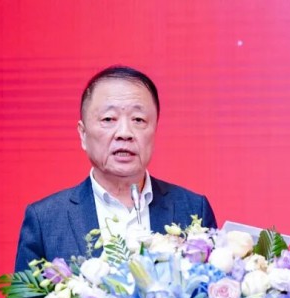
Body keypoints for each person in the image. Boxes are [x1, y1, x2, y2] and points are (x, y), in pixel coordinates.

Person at [13, 65, 217, 272]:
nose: (124, 133)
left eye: (138, 120)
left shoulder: (192, 209)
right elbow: (24, 294)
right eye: (109, 119)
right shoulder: (45, 220)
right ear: (83, 134)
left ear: (155, 130)